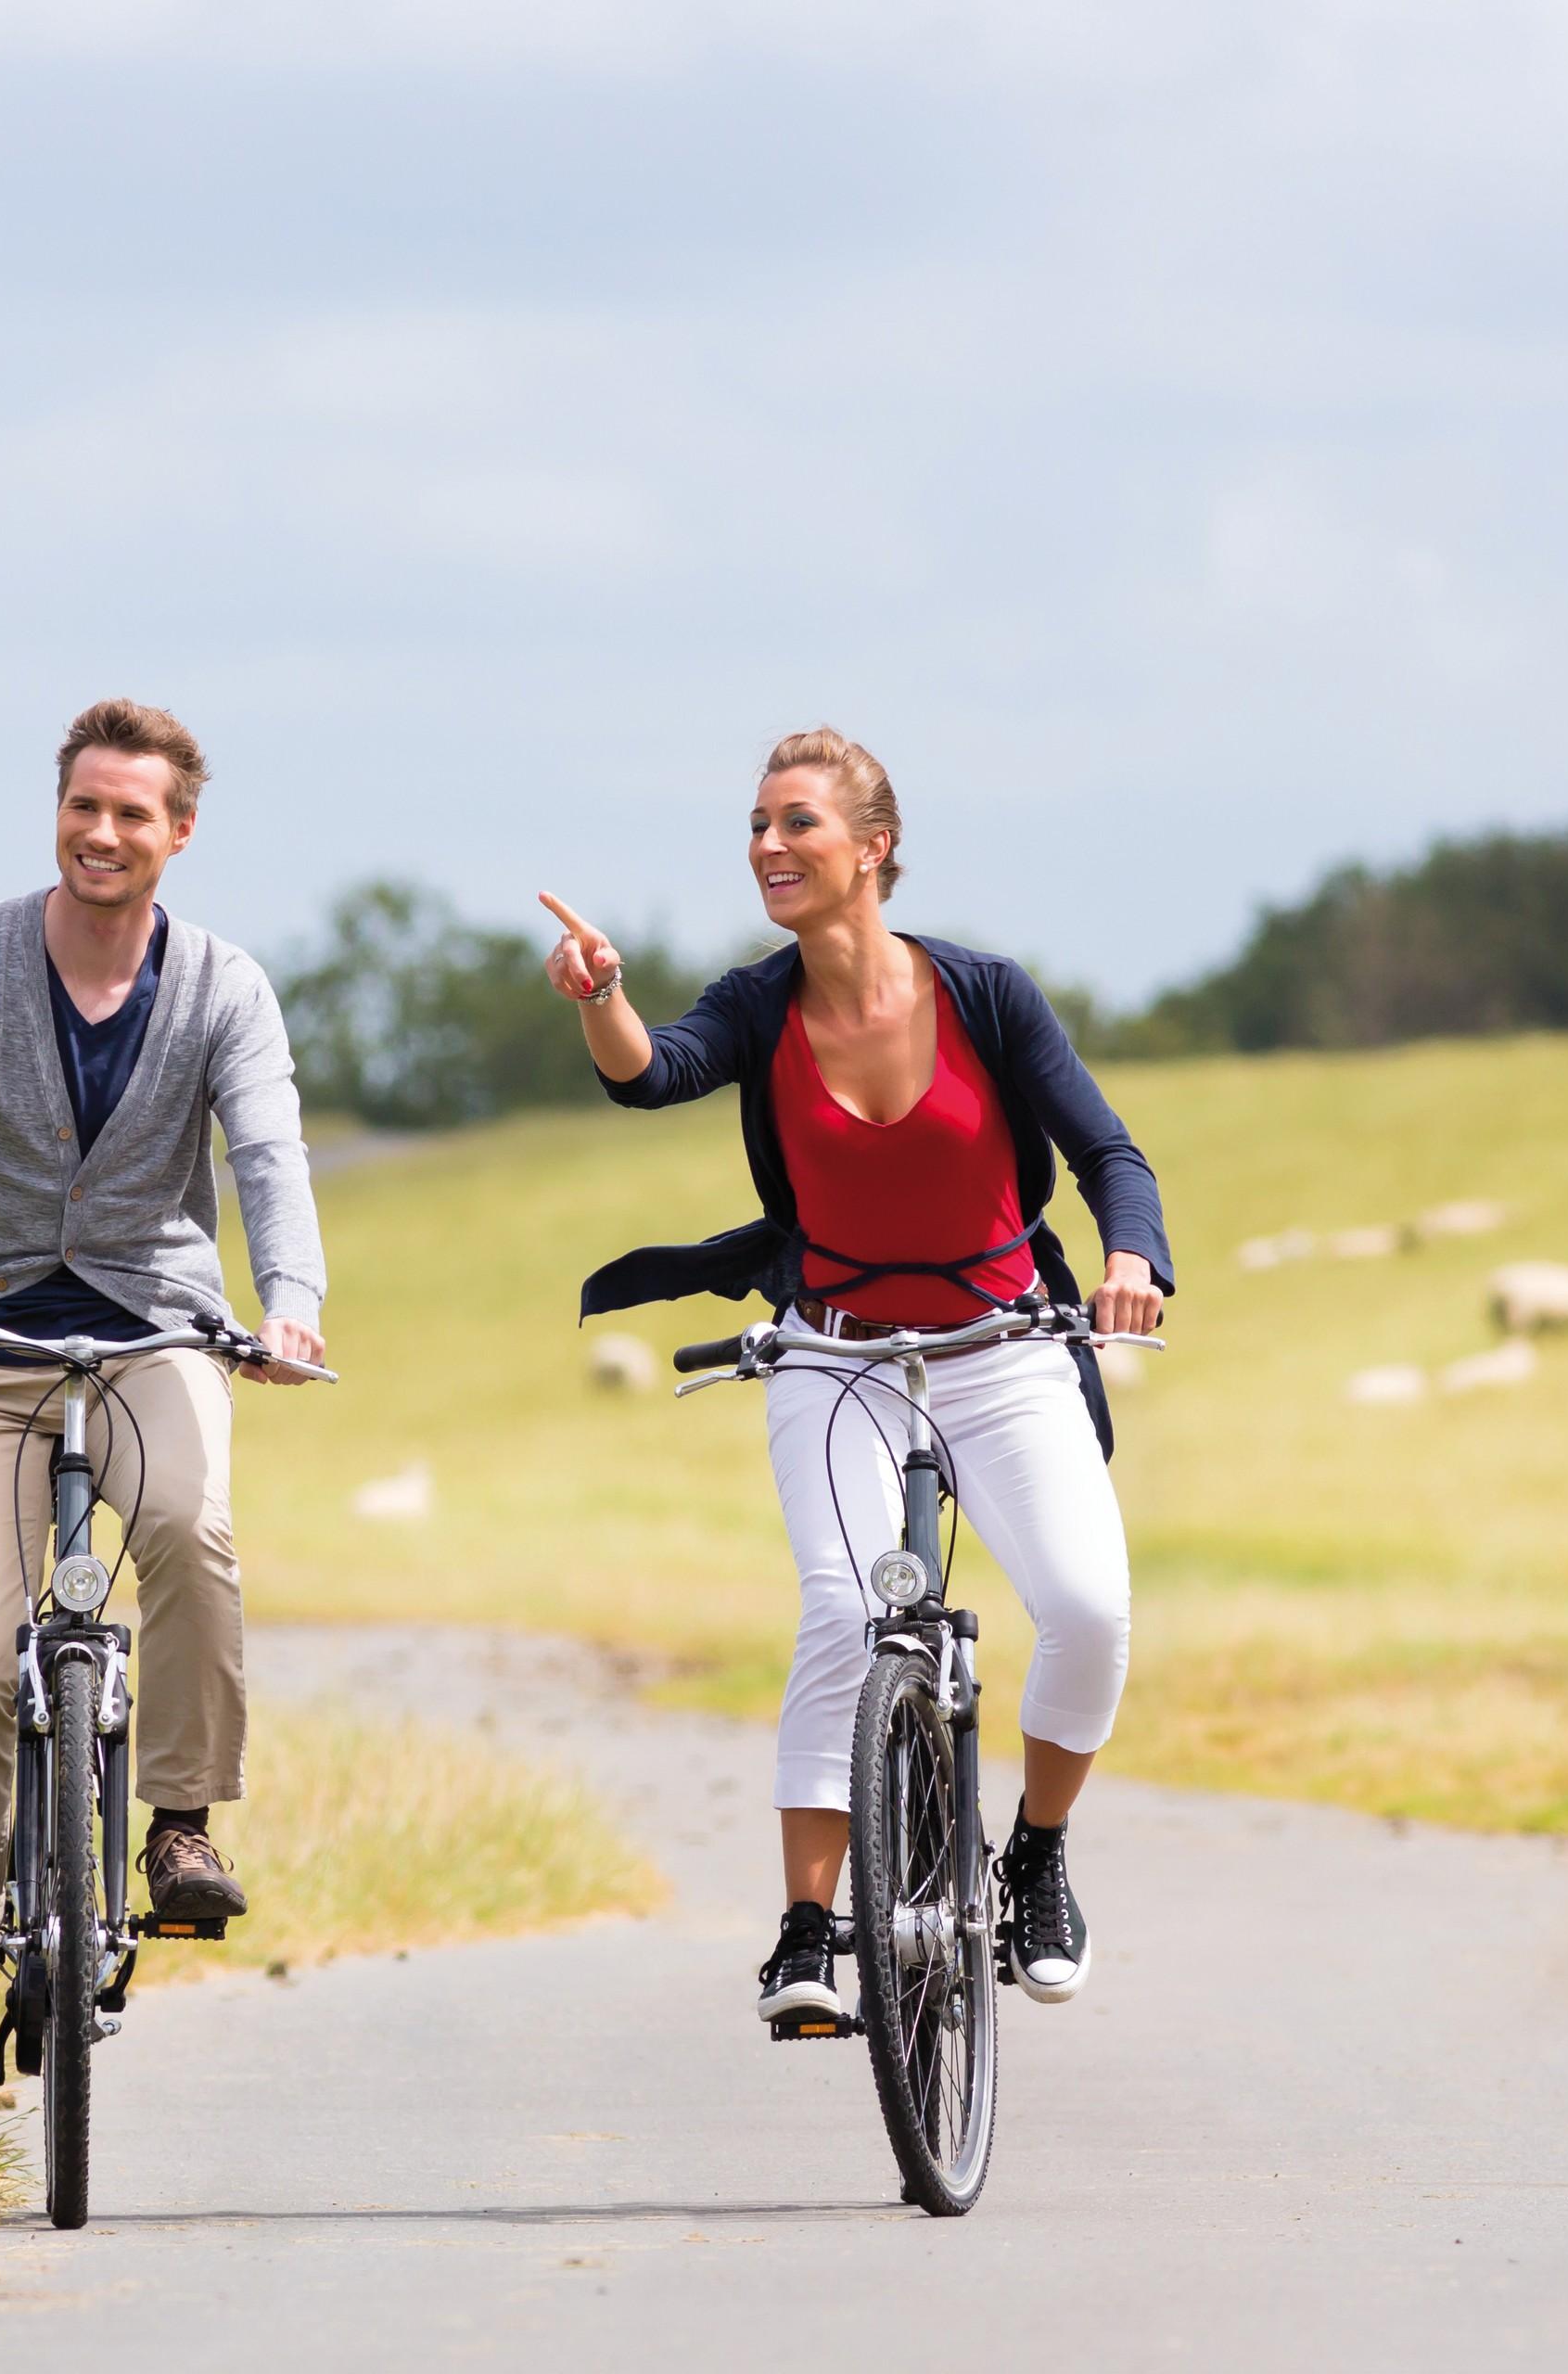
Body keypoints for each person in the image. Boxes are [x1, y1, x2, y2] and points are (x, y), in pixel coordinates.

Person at [543, 726, 1171, 2026]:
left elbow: (1111, 1152)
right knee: (843, 1613)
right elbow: (653, 1074)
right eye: (759, 827)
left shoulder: (986, 993)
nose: (769, 847)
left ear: (873, 848)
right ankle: (807, 1930)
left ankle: (1038, 1856)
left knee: (1092, 1610)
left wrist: (1132, 1259)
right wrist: (602, 995)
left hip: (1005, 1351)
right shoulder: (760, 1002)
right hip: (834, 1356)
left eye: (798, 825)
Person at [0, 696, 328, 2118]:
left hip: (150, 1332)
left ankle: (178, 1825)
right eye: (82, 807)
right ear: (60, 812)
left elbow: (271, 1154)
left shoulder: (225, 986)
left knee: (192, 1529)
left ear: (178, 833)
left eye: (132, 813)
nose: (102, 833)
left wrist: (288, 1300)